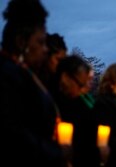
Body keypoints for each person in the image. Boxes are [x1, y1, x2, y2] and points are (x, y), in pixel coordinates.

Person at [0, 0, 67, 166]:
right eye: (40, 42)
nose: (45, 49)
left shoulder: (24, 73)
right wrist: (58, 153)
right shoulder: (6, 75)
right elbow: (12, 136)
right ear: (21, 42)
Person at [53, 55, 100, 167]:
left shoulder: (79, 100)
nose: (82, 90)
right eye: (80, 84)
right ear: (65, 77)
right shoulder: (56, 104)